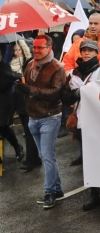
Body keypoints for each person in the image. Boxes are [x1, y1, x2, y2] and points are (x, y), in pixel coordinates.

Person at [15, 35, 66, 209]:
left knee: (47, 156)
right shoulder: (30, 64)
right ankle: (57, 189)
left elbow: (55, 92)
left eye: (40, 48)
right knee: (46, 156)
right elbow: (29, 89)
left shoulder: (57, 67)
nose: (36, 50)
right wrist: (21, 86)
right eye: (34, 47)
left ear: (49, 48)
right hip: (33, 117)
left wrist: (29, 89)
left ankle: (49, 192)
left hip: (50, 117)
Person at [64, 40, 100, 210]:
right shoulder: (74, 74)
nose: (86, 53)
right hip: (82, 122)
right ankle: (95, 195)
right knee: (89, 160)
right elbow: (66, 98)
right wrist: (78, 92)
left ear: (97, 53)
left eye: (90, 50)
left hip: (99, 122)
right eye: (84, 50)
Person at [10, 40, 40, 171]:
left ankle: (30, 160)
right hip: (18, 100)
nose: (16, 53)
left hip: (27, 100)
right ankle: (36, 158)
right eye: (14, 51)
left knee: (29, 131)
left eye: (19, 50)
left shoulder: (29, 63)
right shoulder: (10, 63)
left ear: (23, 49)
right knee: (27, 130)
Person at [0, 45, 24, 164]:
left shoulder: (4, 67)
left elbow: (8, 81)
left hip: (3, 103)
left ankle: (17, 147)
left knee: (3, 127)